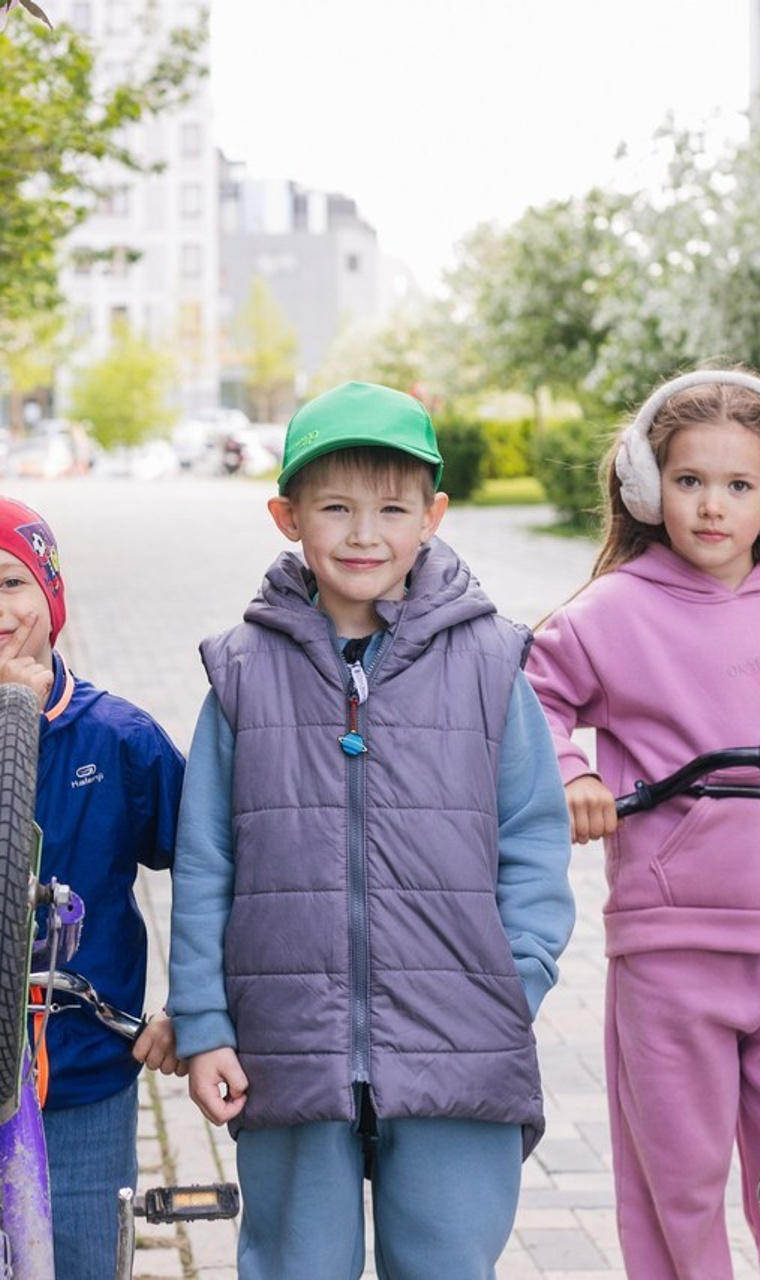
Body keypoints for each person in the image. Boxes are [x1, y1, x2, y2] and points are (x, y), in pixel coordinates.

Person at [167, 381, 575, 1279]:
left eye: (392, 509)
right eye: (335, 508)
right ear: (287, 517)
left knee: (446, 1263)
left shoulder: (491, 665)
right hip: (286, 1046)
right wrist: (204, 1023)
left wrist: (515, 982)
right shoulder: (242, 675)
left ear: (432, 516)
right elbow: (204, 865)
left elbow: (534, 842)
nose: (363, 534)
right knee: (295, 1265)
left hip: (459, 1043)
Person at [0, 489, 185, 1279]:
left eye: (10, 581)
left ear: (51, 599)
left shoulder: (118, 737)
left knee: (84, 1254)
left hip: (87, 1062)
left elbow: (208, 859)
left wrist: (196, 1002)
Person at [524, 368, 760, 1278]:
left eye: (740, 484)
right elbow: (528, 702)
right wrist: (572, 773)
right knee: (678, 1186)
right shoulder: (612, 611)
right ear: (646, 487)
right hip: (672, 947)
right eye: (690, 480)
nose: (712, 506)